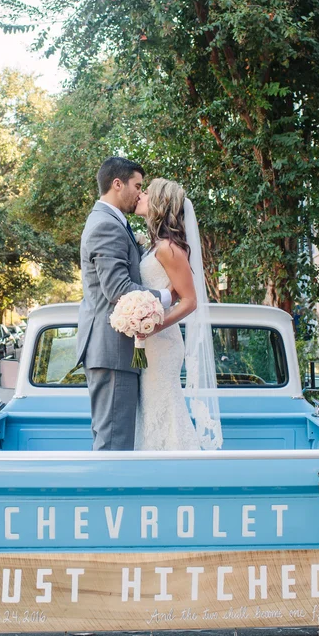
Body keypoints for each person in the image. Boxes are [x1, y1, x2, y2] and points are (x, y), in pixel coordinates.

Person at [77, 157, 173, 451]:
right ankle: (109, 497)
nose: (140, 193)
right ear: (117, 184)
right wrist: (170, 296)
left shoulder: (113, 223)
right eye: (137, 186)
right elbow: (119, 289)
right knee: (114, 445)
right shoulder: (106, 226)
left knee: (115, 439)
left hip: (115, 351)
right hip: (113, 351)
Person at [134, 178, 223, 452]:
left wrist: (153, 326)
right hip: (150, 341)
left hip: (162, 343)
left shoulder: (168, 248)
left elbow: (190, 301)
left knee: (163, 405)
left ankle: (174, 463)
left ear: (159, 202)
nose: (141, 195)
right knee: (150, 407)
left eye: (146, 192)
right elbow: (170, 291)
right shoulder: (156, 245)